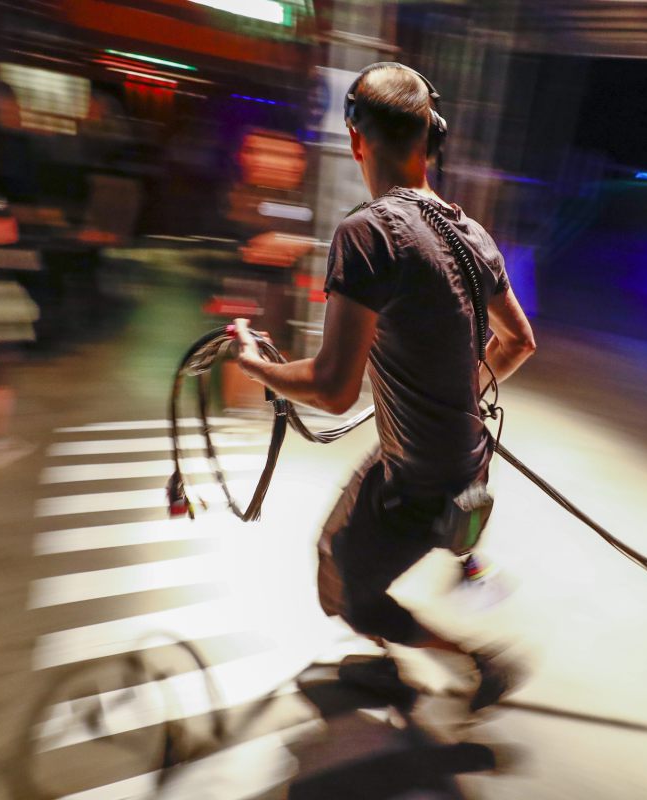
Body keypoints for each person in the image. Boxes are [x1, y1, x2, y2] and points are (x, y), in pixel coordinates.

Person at [233, 63, 536, 710]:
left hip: (419, 476)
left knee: (343, 590)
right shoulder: (472, 234)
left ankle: (474, 663)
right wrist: (453, 388)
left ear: (355, 139)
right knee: (335, 548)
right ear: (433, 139)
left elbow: (334, 388)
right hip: (463, 459)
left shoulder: (367, 234)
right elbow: (520, 342)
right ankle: (401, 643)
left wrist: (257, 365)